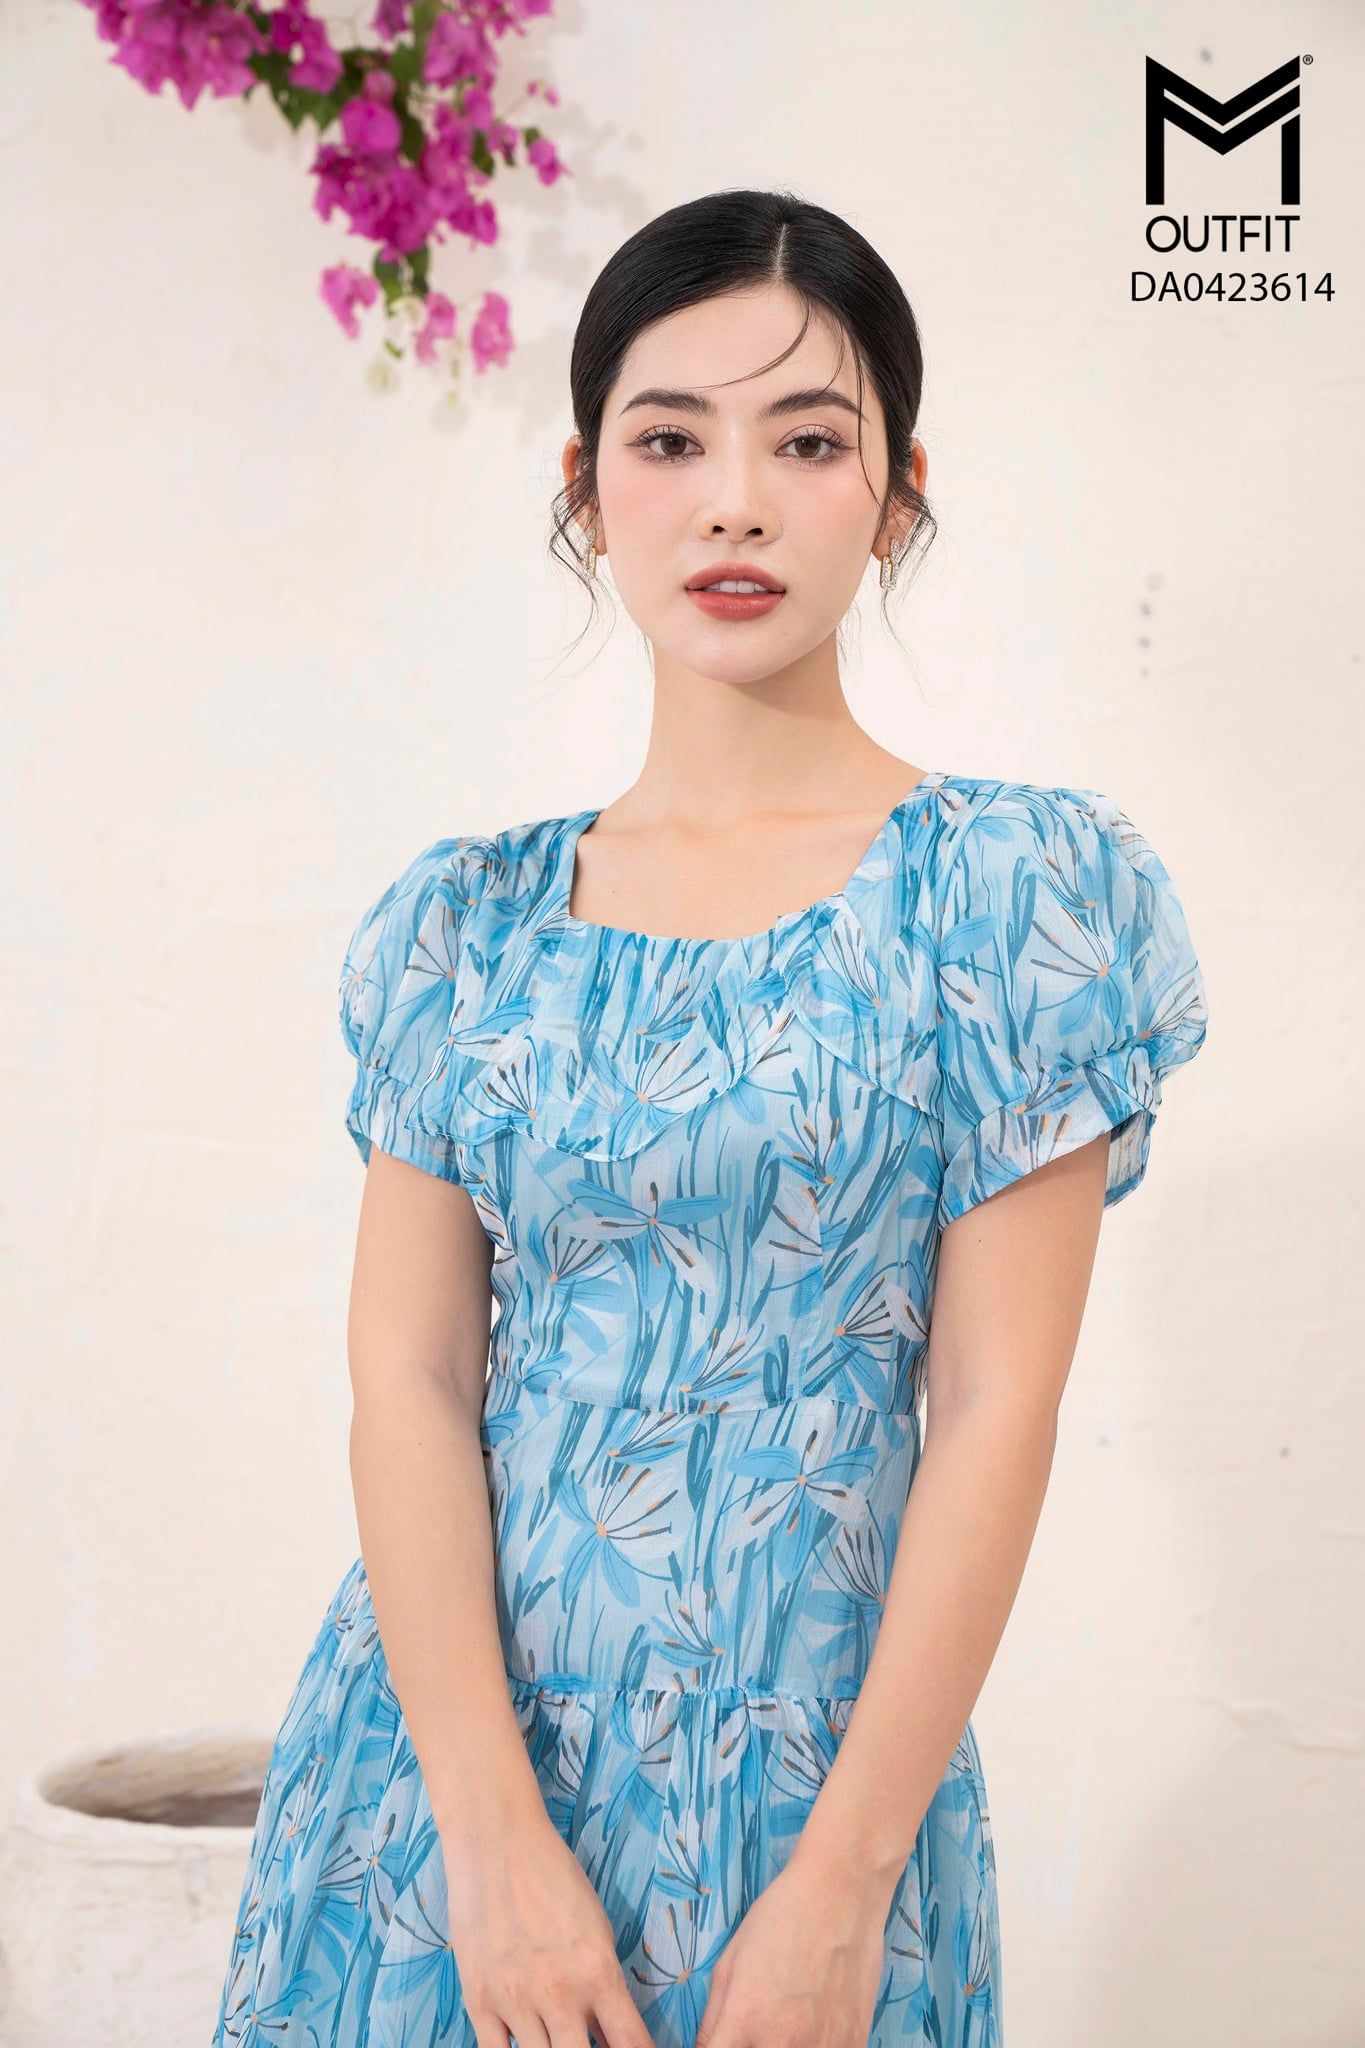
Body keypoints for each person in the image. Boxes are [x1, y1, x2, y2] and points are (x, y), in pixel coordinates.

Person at [213, 187, 1209, 2048]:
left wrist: (844, 1885)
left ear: (898, 493)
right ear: (588, 491)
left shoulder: (1008, 897)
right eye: (669, 440)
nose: (734, 501)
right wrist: (486, 1849)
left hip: (820, 1810)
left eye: (807, 442)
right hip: (435, 1797)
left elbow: (993, 1404)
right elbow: (409, 1380)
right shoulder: (466, 925)